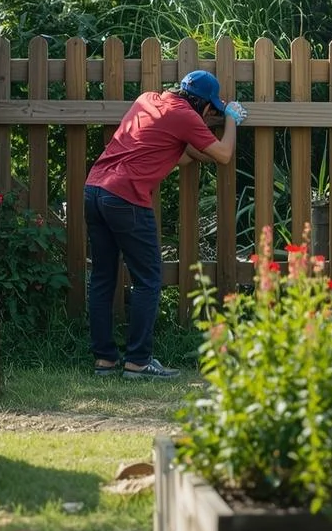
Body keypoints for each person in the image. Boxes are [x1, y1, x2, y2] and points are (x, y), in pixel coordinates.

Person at [83, 70, 246, 380]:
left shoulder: (148, 99)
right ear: (203, 105)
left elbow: (183, 155)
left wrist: (203, 144)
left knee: (103, 277)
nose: (208, 115)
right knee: (148, 280)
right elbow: (224, 155)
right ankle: (138, 361)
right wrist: (231, 121)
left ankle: (104, 360)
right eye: (210, 109)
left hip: (95, 189)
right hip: (126, 198)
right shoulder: (185, 116)